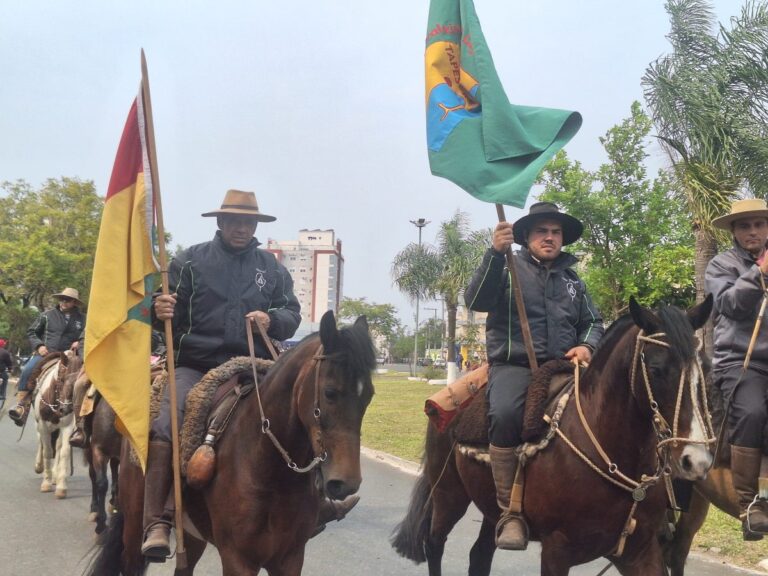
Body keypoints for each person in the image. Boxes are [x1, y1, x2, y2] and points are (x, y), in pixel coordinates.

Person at [141, 189, 355, 561]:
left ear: (255, 225)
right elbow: (157, 310)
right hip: (196, 363)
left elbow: (291, 312)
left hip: (252, 365)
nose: (241, 228)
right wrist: (157, 308)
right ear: (220, 223)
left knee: (302, 413)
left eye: (248, 222)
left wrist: (272, 319)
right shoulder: (188, 261)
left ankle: (315, 503)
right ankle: (157, 519)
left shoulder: (271, 268)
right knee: (165, 422)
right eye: (234, 221)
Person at [464, 201, 604, 550]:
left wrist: (587, 347)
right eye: (542, 231)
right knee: (507, 414)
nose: (550, 237)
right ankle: (510, 513)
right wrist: (495, 254)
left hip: (563, 368)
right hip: (515, 365)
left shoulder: (574, 282)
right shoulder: (508, 267)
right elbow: (476, 301)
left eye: (556, 232)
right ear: (526, 236)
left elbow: (593, 323)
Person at [705, 198, 768, 540]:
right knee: (753, 411)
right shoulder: (720, 265)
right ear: (734, 231)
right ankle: (751, 505)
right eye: (744, 226)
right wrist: (760, 272)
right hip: (741, 361)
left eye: (759, 223)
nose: (753, 231)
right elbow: (729, 305)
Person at [9, 288, 86, 426]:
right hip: (47, 354)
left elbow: (87, 335)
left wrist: (79, 342)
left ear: (74, 302)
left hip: (70, 356)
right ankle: (22, 405)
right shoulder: (47, 315)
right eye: (61, 298)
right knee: (27, 370)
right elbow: (32, 331)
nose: (63, 302)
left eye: (67, 300)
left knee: (85, 379)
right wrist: (39, 346)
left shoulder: (83, 319)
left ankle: (84, 415)